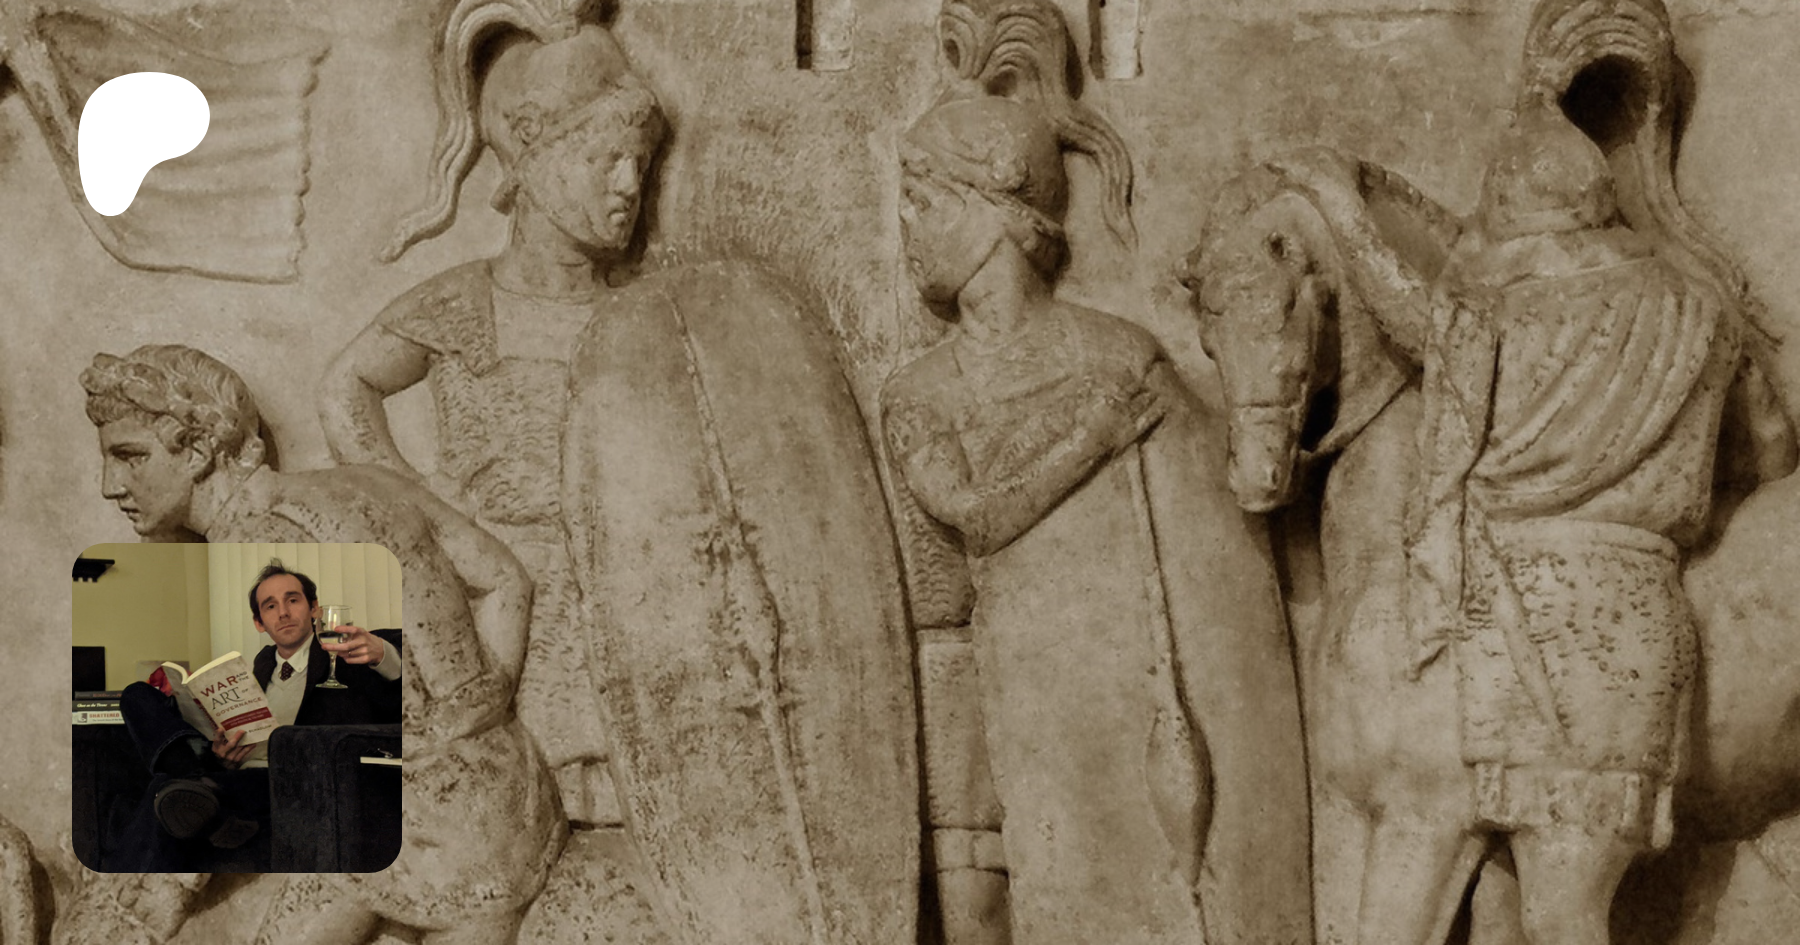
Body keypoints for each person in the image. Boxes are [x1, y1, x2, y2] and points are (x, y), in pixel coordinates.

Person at [879, 5, 1311, 944]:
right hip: (1026, 706)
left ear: (996, 211)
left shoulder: (1123, 353)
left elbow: (1226, 558)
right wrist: (1096, 432)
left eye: (923, 202)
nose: (905, 227)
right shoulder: (922, 390)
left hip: (1139, 711)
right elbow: (974, 514)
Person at [78, 344, 564, 945]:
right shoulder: (369, 484)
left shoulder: (250, 554)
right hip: (509, 800)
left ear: (198, 450)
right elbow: (506, 579)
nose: (111, 485)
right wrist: (484, 702)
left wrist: (170, 886)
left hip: (409, 824)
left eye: (131, 457)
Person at [316, 0, 663, 822]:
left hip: (623, 598)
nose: (629, 184)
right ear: (533, 151)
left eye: (641, 164)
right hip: (504, 605)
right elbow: (345, 387)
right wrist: (424, 508)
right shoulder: (468, 303)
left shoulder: (643, 314)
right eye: (606, 158)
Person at [110, 560, 401, 872]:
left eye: (292, 600)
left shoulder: (345, 655)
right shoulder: (259, 668)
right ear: (259, 623)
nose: (283, 613)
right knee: (136, 695)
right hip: (236, 776)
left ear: (314, 608)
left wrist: (385, 655)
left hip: (293, 780)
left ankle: (194, 792)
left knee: (163, 790)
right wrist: (223, 757)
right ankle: (194, 781)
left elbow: (409, 696)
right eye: (270, 606)